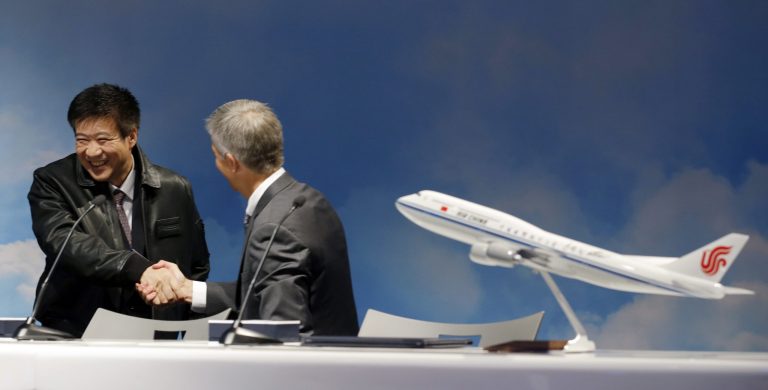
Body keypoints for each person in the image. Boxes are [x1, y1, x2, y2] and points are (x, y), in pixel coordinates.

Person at [140, 99, 358, 336]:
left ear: (231, 162)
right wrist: (188, 289)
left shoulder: (273, 228)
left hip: (311, 372)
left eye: (216, 155)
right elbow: (264, 293)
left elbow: (283, 334)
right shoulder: (310, 200)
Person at [28, 83, 210, 337]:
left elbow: (197, 265)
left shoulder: (174, 187)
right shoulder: (52, 182)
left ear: (131, 136)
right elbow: (66, 245)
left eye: (103, 139)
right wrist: (138, 268)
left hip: (157, 338)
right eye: (82, 140)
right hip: (78, 334)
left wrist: (192, 335)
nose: (92, 151)